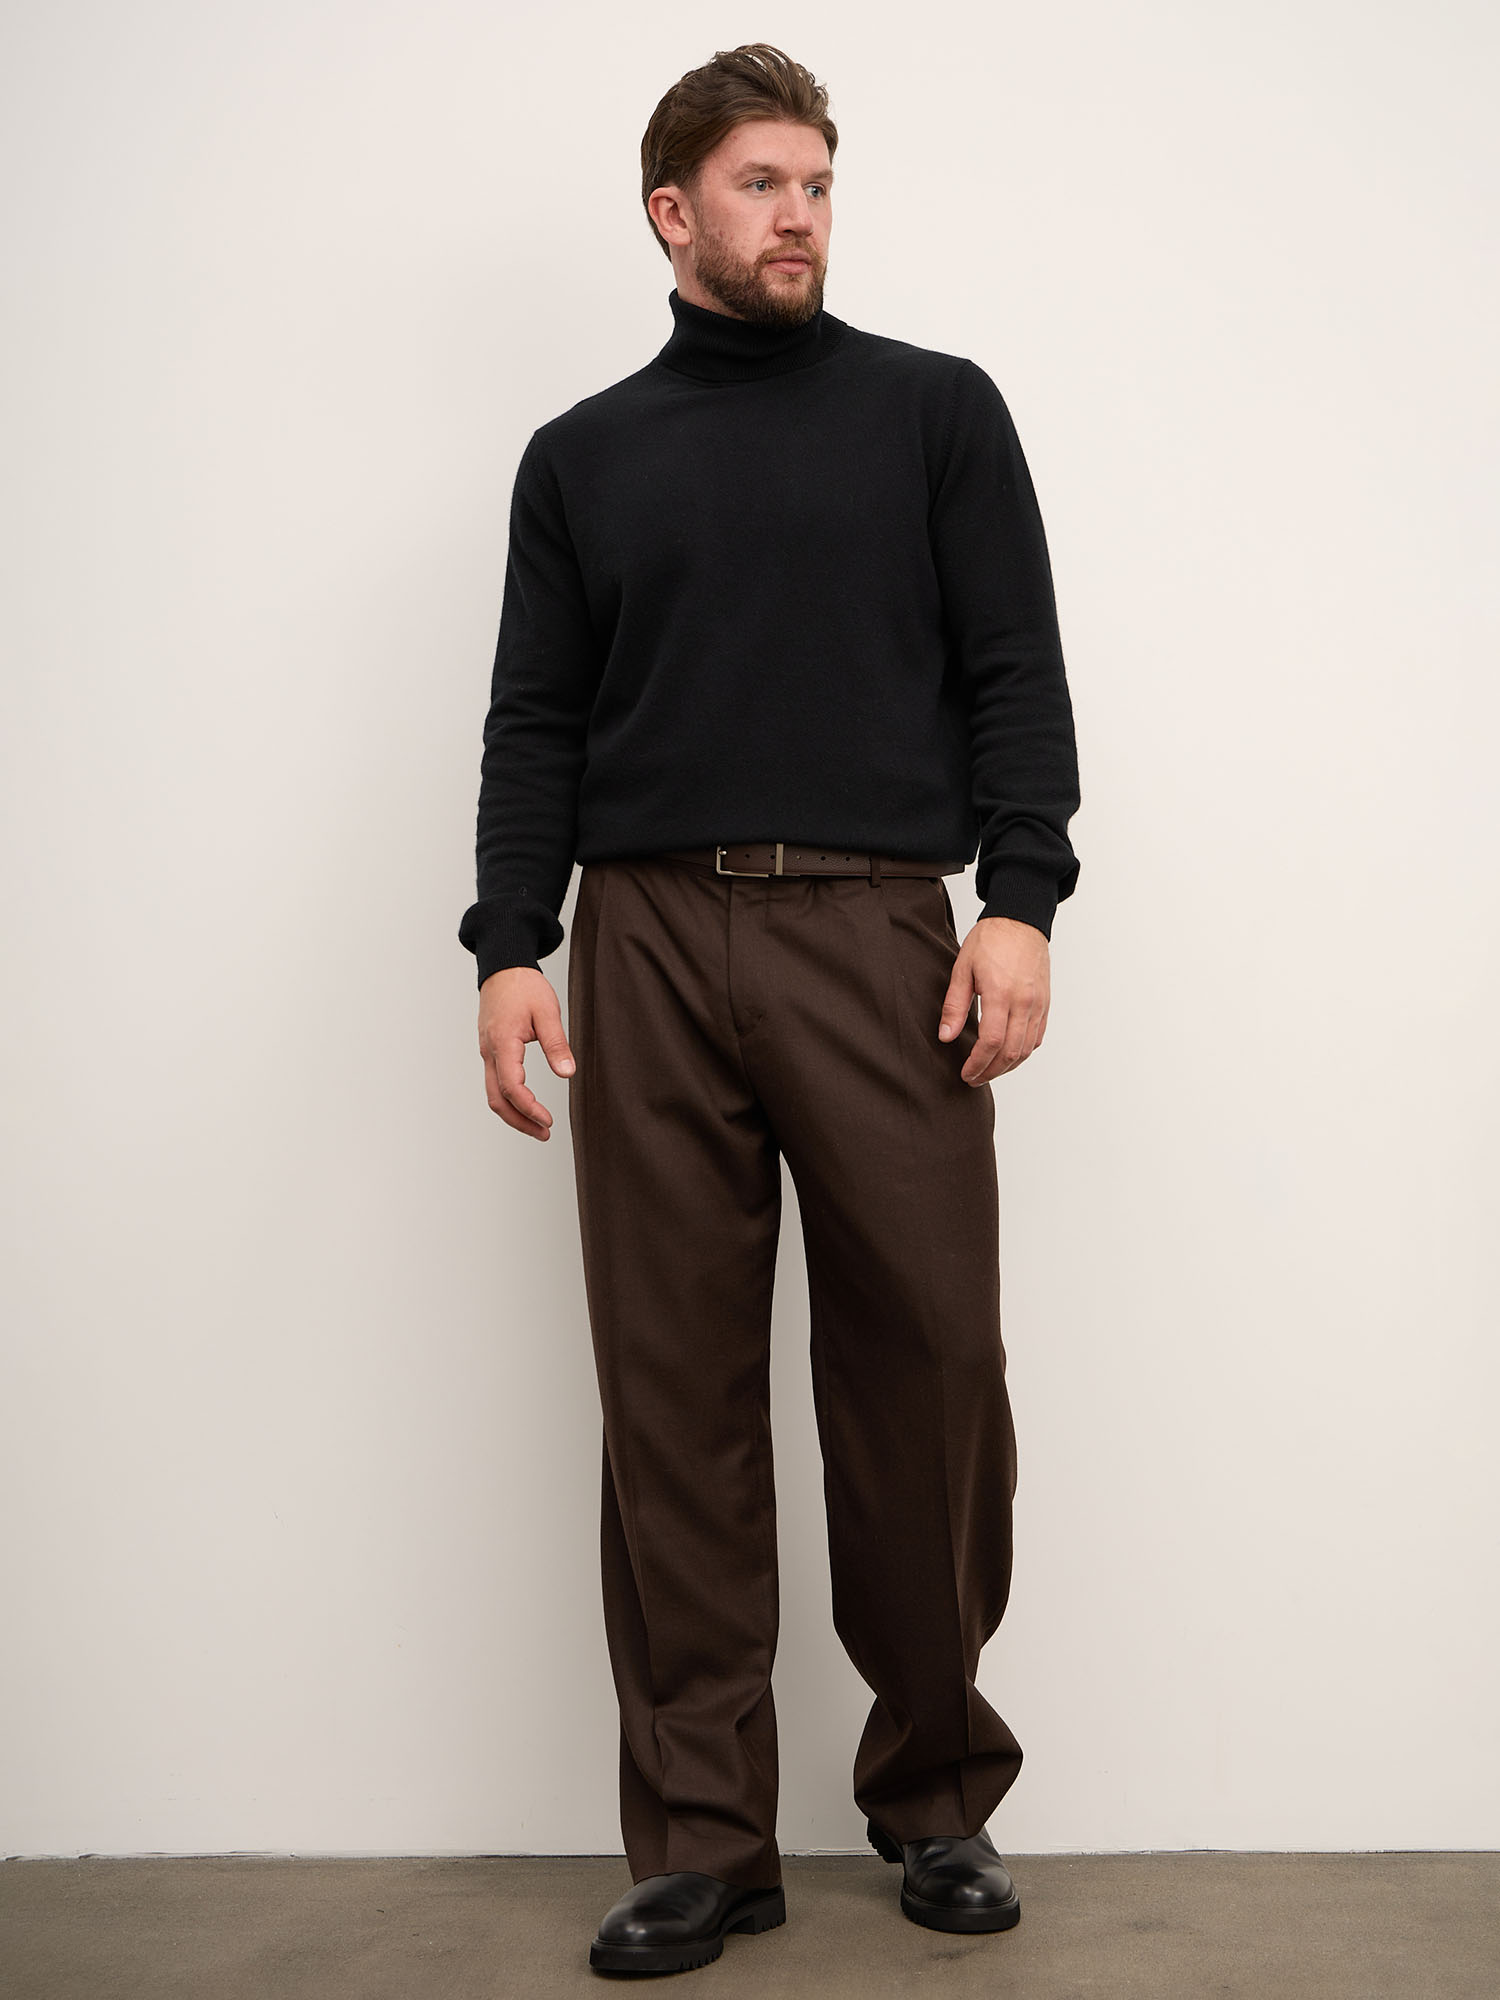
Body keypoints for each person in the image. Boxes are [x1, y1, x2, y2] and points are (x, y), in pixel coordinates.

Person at [458, 42, 1082, 1978]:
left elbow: (1015, 667)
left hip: (881, 930)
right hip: (644, 937)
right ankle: (707, 1842)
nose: (799, 212)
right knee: (674, 1397)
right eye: (760, 183)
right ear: (674, 212)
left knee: (930, 1369)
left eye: (816, 181)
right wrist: (510, 945)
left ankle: (936, 1794)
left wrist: (1020, 901)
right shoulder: (583, 458)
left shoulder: (934, 414)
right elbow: (536, 719)